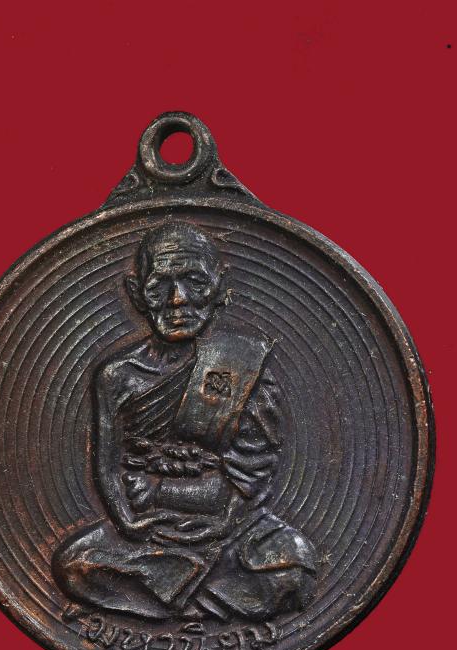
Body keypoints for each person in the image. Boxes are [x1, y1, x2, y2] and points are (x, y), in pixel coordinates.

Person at [52, 221, 316, 620]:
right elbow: (106, 466)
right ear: (136, 294)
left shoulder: (239, 363)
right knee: (75, 566)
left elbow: (254, 468)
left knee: (293, 568)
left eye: (195, 282)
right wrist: (127, 522)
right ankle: (192, 595)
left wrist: (215, 519)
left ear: (219, 287)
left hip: (231, 526)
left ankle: (169, 593)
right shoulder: (118, 375)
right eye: (160, 286)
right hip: (145, 531)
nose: (178, 300)